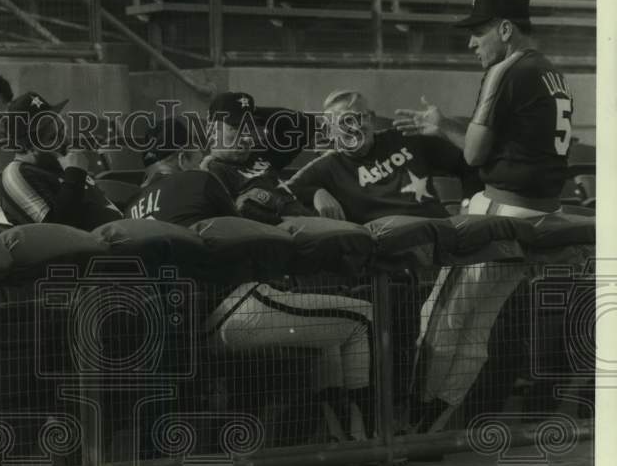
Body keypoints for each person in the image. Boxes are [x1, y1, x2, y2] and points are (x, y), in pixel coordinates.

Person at [393, 0, 575, 432]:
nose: (472, 42)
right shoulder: (551, 70)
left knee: (438, 318)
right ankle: (431, 428)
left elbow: (474, 155)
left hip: (499, 211)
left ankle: (405, 429)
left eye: (479, 31)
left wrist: (441, 129)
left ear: (506, 29)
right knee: (475, 330)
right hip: (535, 216)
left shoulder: (506, 69)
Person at [127, 116, 374, 440]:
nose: (202, 159)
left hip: (183, 330)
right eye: (197, 153)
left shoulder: (130, 206)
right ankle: (371, 439)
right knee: (362, 317)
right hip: (235, 306)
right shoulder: (199, 180)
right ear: (184, 157)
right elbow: (247, 237)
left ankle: (347, 440)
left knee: (327, 335)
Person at [285, 89, 480, 224]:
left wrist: (469, 205)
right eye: (345, 122)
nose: (356, 127)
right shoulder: (327, 166)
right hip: (389, 253)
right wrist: (315, 193)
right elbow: (280, 194)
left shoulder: (405, 137)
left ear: (371, 118)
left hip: (440, 235)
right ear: (330, 132)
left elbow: (470, 158)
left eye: (361, 117)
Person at [0, 91, 123, 230]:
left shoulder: (59, 163)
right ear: (27, 146)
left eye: (63, 130)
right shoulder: (16, 174)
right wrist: (75, 173)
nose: (64, 140)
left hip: (122, 235)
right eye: (52, 137)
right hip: (98, 247)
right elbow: (58, 230)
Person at [201, 92, 316, 224]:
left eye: (250, 127)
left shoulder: (261, 154)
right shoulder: (211, 172)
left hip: (307, 222)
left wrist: (253, 110)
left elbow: (305, 123)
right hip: (283, 232)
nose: (246, 136)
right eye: (235, 127)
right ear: (212, 130)